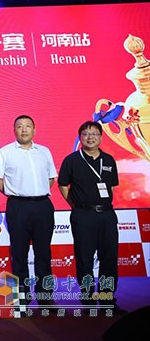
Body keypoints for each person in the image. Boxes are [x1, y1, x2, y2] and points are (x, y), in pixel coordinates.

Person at [57, 121, 125, 314]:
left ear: (101, 137)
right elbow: (62, 185)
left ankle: (107, 299)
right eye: (86, 134)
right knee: (84, 258)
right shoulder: (71, 160)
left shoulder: (109, 160)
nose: (90, 137)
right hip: (83, 215)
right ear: (80, 137)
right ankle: (87, 299)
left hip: (107, 214)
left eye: (94, 134)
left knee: (109, 258)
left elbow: (111, 188)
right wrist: (76, 205)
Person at [0, 115, 57, 304]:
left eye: (28, 126)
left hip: (43, 206)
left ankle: (45, 297)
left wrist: (37, 192)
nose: (24, 129)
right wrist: (15, 192)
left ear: (34, 130)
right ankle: (22, 298)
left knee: (43, 252)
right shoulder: (5, 152)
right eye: (20, 126)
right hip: (18, 206)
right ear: (14, 130)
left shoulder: (44, 151)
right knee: (19, 254)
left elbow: (51, 178)